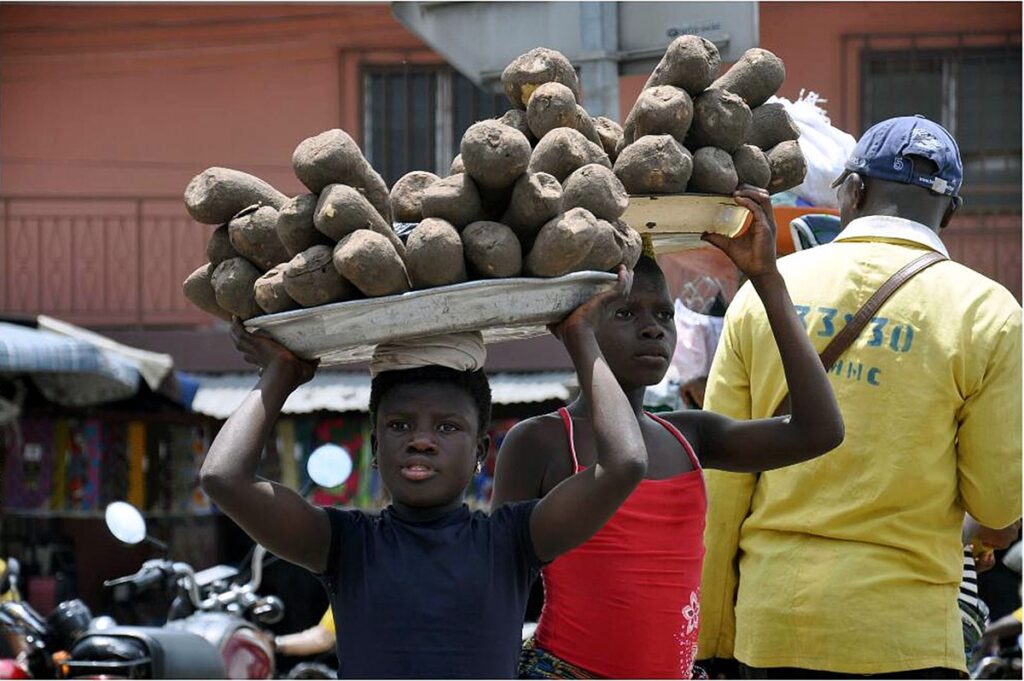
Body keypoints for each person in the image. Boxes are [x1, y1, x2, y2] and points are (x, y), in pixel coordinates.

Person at [199, 268, 649, 680]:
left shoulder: (511, 541)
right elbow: (224, 477)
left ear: (480, 452)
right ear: (376, 449)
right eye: (399, 426)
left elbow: (625, 462)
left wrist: (579, 336)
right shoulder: (345, 545)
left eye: (447, 427)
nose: (421, 440)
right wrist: (282, 372)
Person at [698, 116, 1022, 678]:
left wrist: (713, 641)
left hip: (775, 626)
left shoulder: (764, 295)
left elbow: (720, 490)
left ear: (849, 191)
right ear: (951, 213)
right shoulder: (990, 315)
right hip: (908, 638)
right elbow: (997, 504)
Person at [493, 186, 845, 679]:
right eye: (625, 312)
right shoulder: (541, 441)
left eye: (663, 314)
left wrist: (765, 277)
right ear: (579, 323)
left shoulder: (690, 436)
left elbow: (820, 431)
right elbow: (499, 586)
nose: (653, 328)